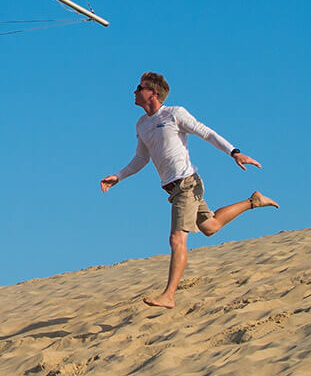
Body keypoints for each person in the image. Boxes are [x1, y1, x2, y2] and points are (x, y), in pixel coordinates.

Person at [100, 72, 280, 309]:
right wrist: (119, 176)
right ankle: (253, 201)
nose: (134, 91)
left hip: (187, 183)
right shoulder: (142, 124)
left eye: (139, 87)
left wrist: (234, 152)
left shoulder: (175, 114)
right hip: (173, 190)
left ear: (153, 93)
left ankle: (169, 295)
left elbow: (206, 132)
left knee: (177, 238)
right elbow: (141, 158)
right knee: (210, 226)